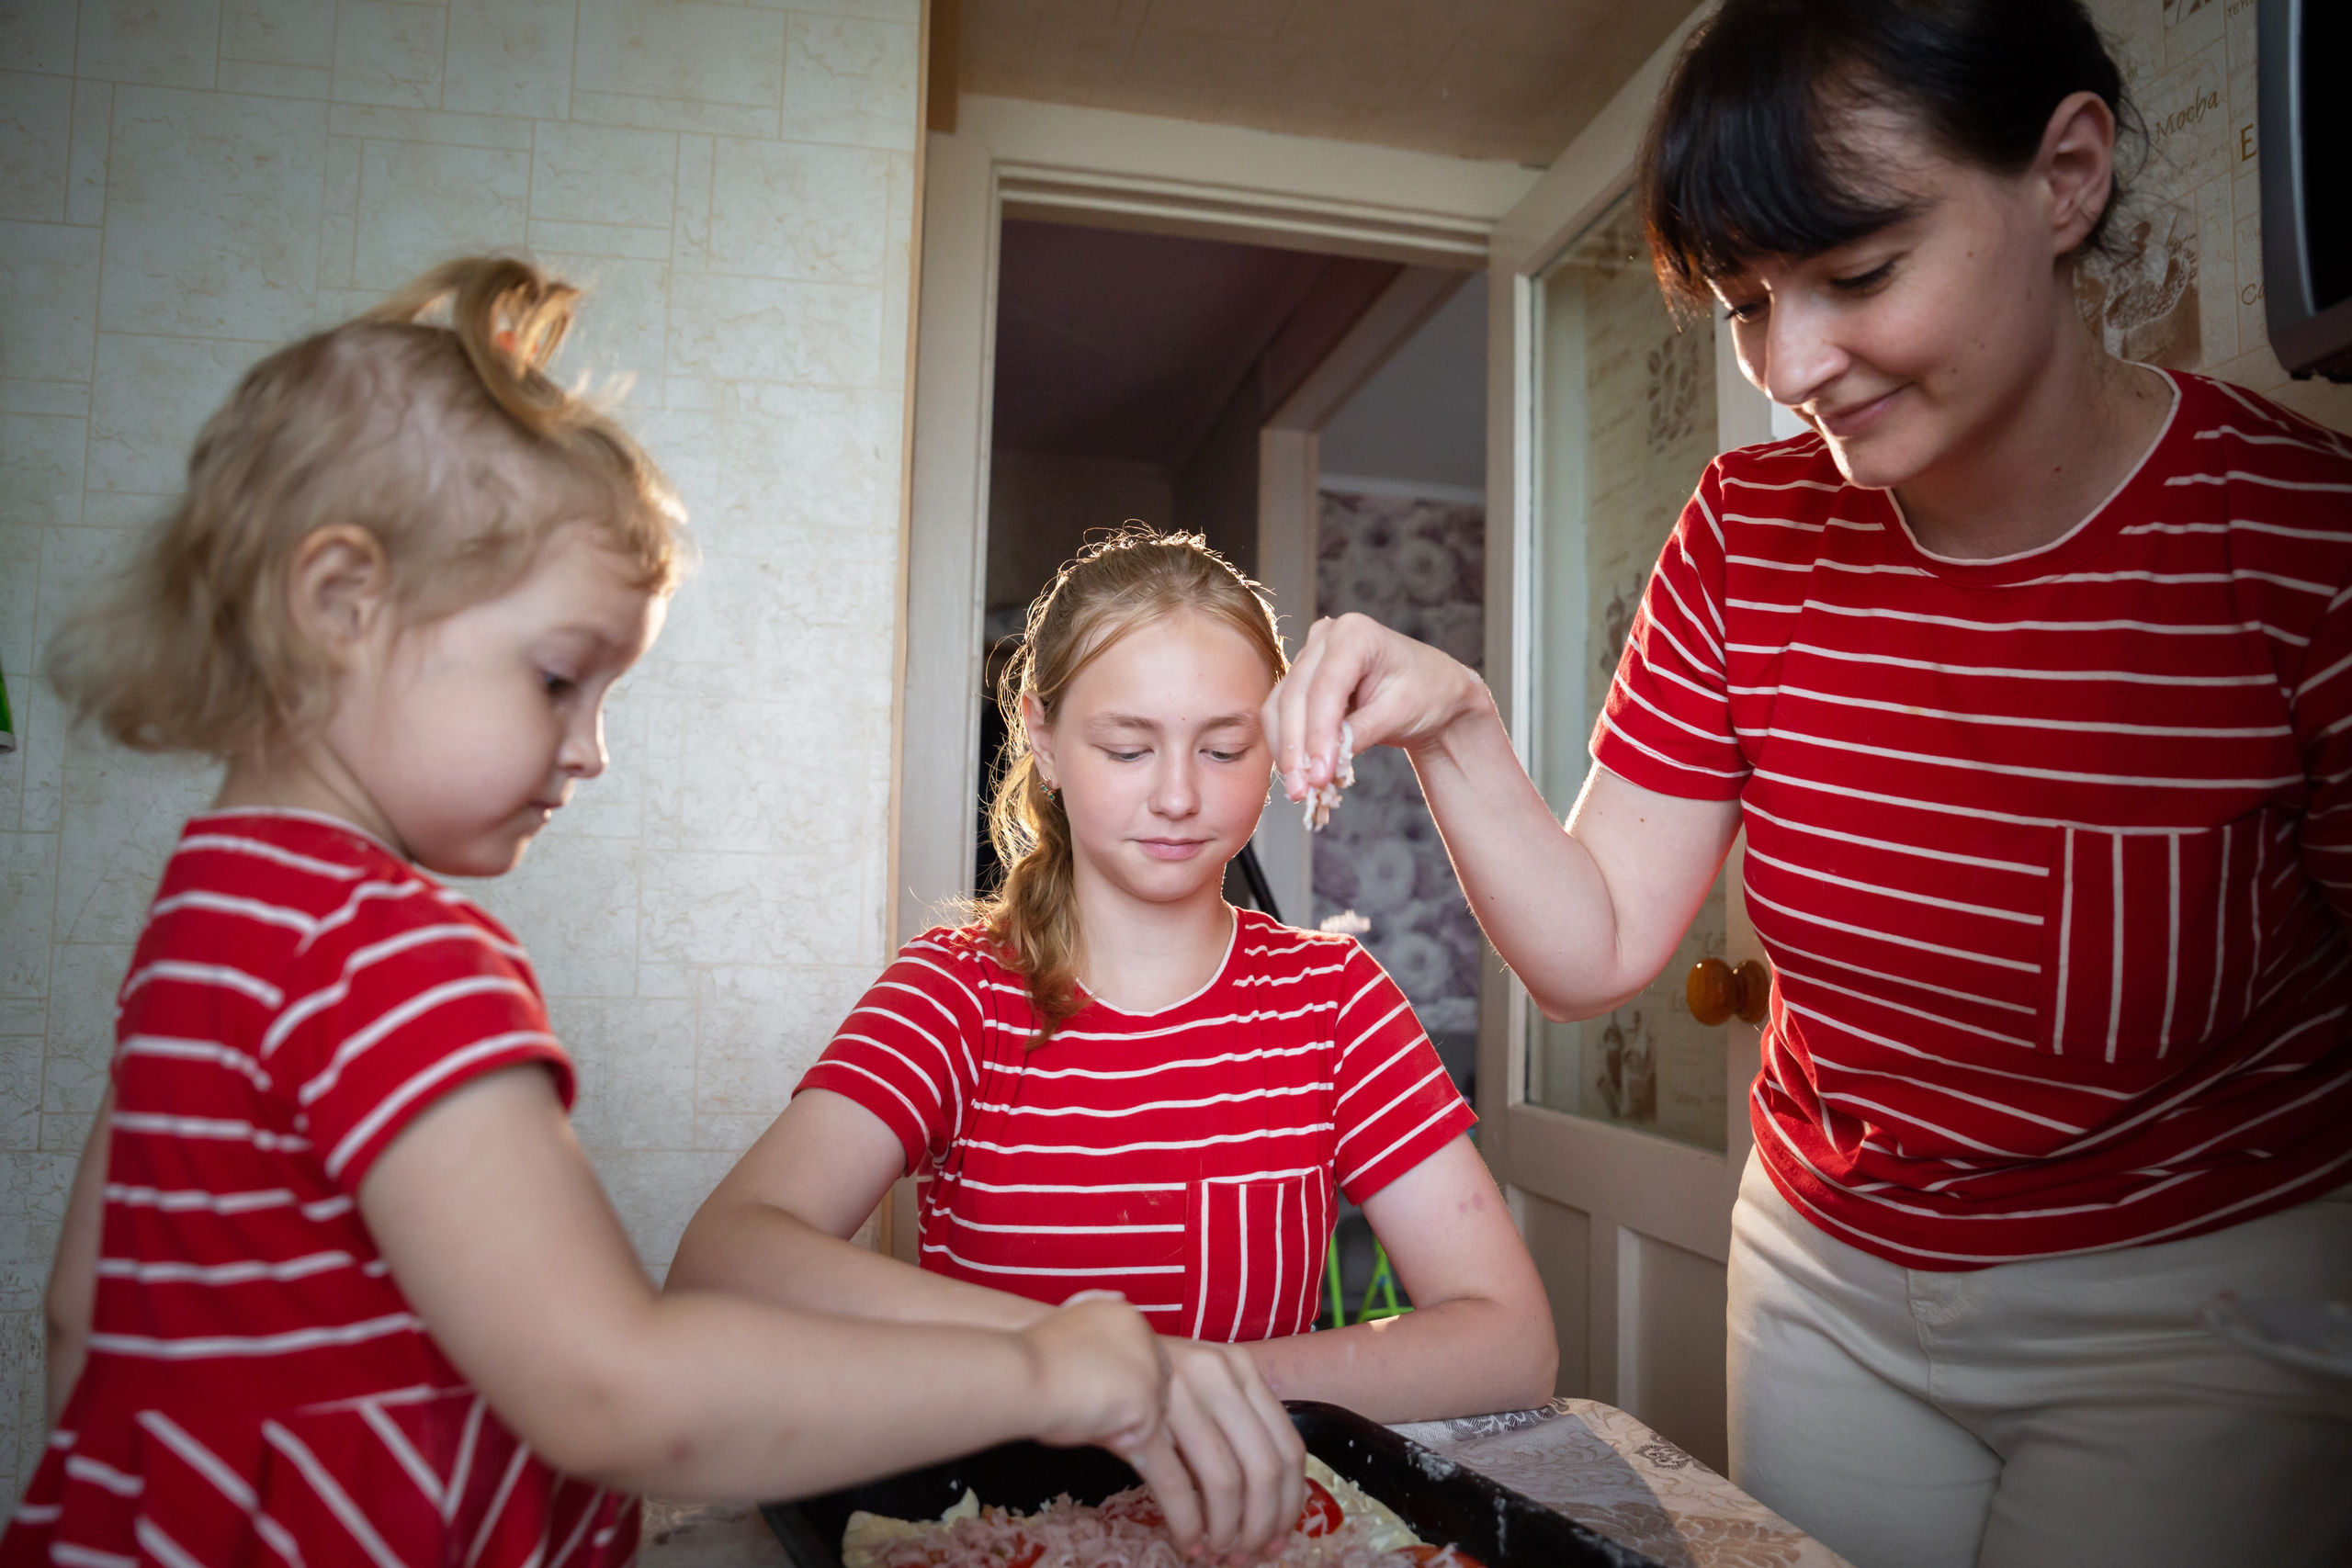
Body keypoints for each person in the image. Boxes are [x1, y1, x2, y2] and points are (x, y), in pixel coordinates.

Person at [1261, 2, 2352, 1565]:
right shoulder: (1745, 532)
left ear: (2066, 177)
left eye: (1856, 277)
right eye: (1748, 305)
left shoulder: (2299, 548)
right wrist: (1455, 726)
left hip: (2199, 1306)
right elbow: (1593, 947)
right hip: (1827, 1276)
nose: (1793, 364)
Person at [11, 257, 1223, 1568]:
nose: (590, 751)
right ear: (340, 603)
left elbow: (86, 1316)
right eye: (556, 678)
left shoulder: (212, 916)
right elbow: (615, 1391)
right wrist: (1045, 1370)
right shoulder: (385, 955)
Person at [672, 530, 1558, 1551]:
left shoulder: (1333, 999)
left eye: (1224, 749)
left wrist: (1195, 1383)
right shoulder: (957, 993)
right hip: (1001, 1531)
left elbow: (1511, 1339)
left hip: (1245, 1527)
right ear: (1042, 738)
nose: (1179, 794)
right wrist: (1069, 1363)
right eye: (1129, 748)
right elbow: (721, 1262)